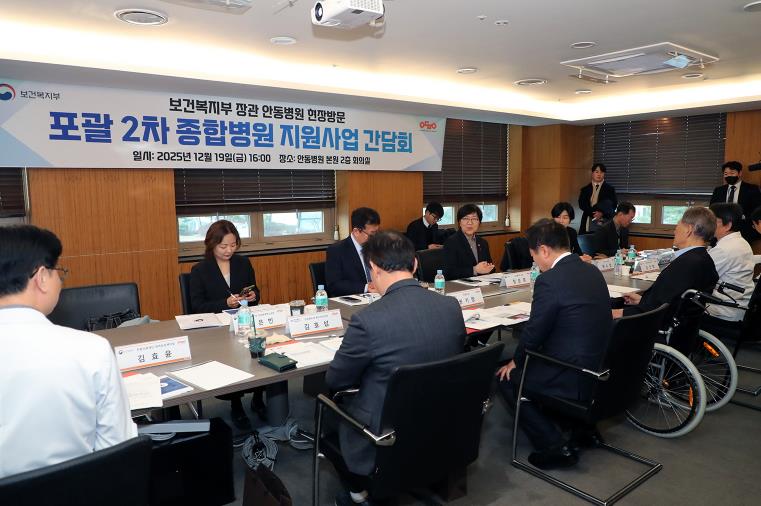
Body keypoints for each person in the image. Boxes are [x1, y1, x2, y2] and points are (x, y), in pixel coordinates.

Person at [325, 231, 466, 506]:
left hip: (386, 432)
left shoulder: (367, 320)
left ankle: (359, 493)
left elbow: (336, 380)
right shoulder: (450, 306)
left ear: (373, 268)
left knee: (328, 410)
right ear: (415, 264)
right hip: (441, 417)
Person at [0, 225, 137, 479]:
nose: (60, 281)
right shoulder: (90, 350)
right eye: (57, 272)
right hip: (79, 491)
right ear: (42, 277)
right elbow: (117, 448)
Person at [496, 219, 612, 470]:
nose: (535, 261)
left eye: (534, 256)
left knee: (506, 377)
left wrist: (515, 362)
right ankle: (583, 430)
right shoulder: (591, 270)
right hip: (598, 364)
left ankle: (553, 445)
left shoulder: (549, 280)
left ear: (544, 250)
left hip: (570, 371)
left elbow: (534, 333)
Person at [189, 219, 263, 430]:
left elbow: (255, 293)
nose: (229, 250)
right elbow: (197, 306)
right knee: (232, 358)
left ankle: (259, 398)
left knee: (260, 351)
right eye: (223, 246)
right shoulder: (200, 270)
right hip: (217, 330)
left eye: (233, 245)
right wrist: (225, 303)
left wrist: (253, 295)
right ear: (212, 244)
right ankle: (236, 405)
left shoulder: (243, 263)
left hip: (244, 322)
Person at [617, 207, 718, 319]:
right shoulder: (705, 259)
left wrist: (612, 314)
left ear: (688, 230)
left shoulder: (684, 264)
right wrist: (643, 300)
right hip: (682, 324)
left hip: (653, 324)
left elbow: (653, 311)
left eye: (677, 227)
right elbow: (672, 302)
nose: (674, 231)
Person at [703, 203, 755, 324]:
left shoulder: (724, 249)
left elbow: (699, 277)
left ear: (727, 225)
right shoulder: (741, 242)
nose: (708, 225)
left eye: (712, 221)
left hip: (724, 310)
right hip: (739, 306)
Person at [326, 207, 380, 297]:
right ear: (356, 231)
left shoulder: (378, 247)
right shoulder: (337, 250)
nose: (375, 238)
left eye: (377, 233)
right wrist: (366, 287)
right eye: (371, 235)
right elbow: (334, 285)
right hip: (355, 299)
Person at [709, 161, 761, 242]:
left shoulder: (752, 189)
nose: (729, 176)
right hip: (722, 230)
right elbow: (712, 209)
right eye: (726, 174)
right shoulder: (718, 190)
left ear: (739, 173)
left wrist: (743, 216)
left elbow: (757, 210)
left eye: (732, 173)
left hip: (744, 231)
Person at [443, 203, 494, 279]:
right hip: (460, 284)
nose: (470, 223)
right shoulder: (451, 242)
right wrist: (474, 270)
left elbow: (490, 267)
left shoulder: (483, 242)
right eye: (465, 218)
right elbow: (449, 272)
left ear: (479, 223)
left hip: (482, 283)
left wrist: (489, 268)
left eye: (474, 219)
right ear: (459, 222)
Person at [578, 163, 617, 234]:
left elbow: (613, 205)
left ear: (604, 174)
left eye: (601, 172)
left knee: (602, 238)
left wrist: (602, 213)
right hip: (587, 219)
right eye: (596, 172)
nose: (599, 174)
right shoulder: (585, 189)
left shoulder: (610, 189)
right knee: (586, 239)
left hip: (604, 220)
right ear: (592, 173)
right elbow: (582, 204)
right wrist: (594, 213)